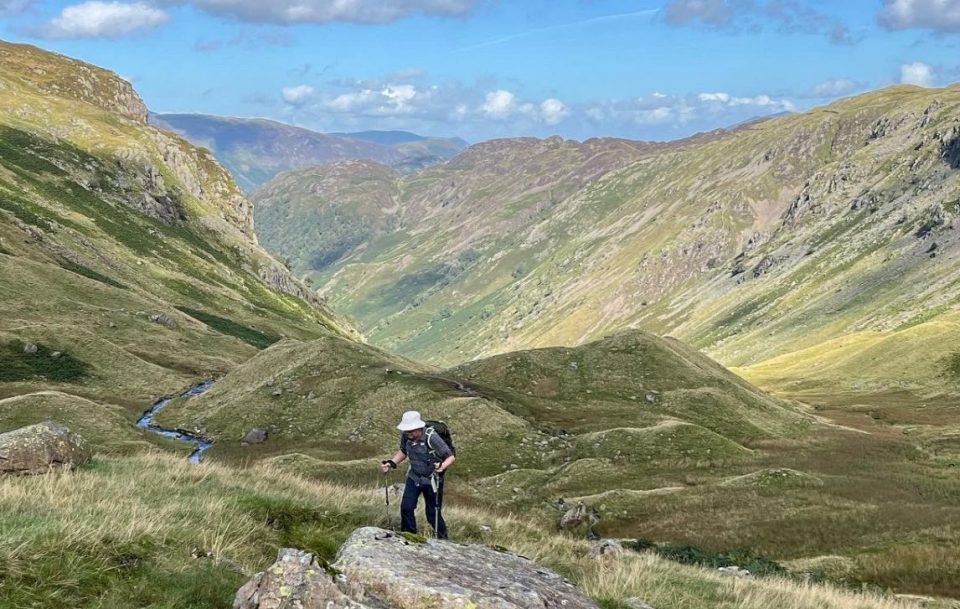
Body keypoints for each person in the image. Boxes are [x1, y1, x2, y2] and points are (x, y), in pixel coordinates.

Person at [380, 410, 455, 538]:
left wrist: (442, 467)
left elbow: (450, 457)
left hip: (432, 480)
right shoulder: (406, 436)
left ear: (419, 428)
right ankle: (409, 537)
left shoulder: (432, 437)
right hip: (414, 477)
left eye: (410, 431)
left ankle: (443, 540)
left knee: (432, 514)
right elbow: (403, 451)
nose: (408, 434)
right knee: (406, 508)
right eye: (406, 431)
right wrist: (391, 463)